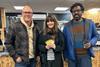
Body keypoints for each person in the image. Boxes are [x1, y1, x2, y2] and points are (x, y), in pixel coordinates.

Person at [63, 3, 98, 67]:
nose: (76, 13)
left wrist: (90, 43)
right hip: (72, 57)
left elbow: (96, 36)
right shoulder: (66, 26)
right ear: (72, 13)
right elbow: (64, 42)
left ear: (82, 11)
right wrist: (65, 56)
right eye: (74, 11)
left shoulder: (90, 23)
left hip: (85, 56)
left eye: (78, 10)